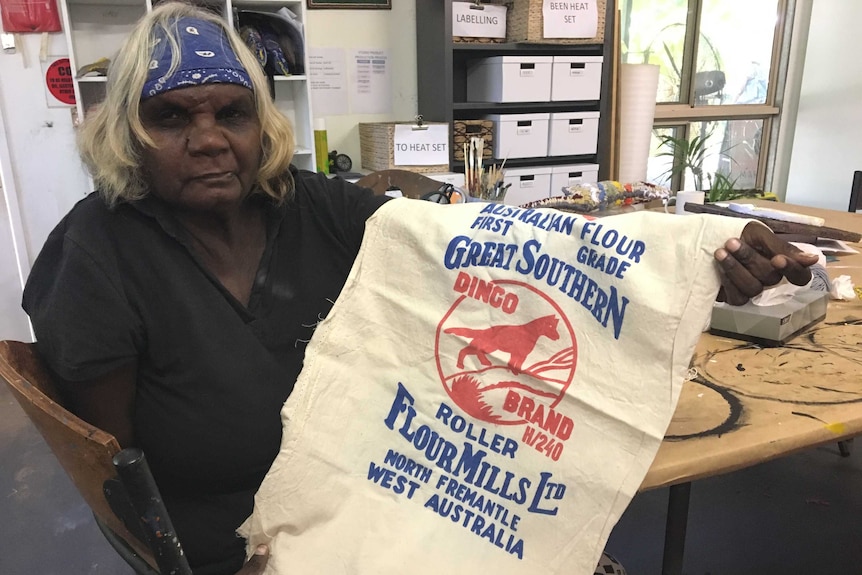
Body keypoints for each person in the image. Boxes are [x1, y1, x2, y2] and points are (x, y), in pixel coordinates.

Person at [20, 3, 818, 574]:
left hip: (386, 483)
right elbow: (119, 476)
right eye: (171, 118)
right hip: (241, 538)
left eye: (233, 112)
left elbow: (496, 246)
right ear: (125, 130)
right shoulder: (96, 252)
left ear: (263, 124)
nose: (208, 139)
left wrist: (697, 251)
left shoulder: (316, 209)